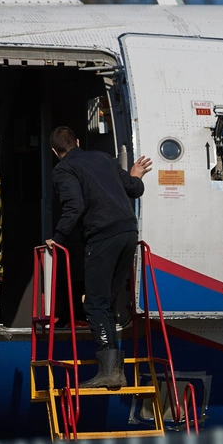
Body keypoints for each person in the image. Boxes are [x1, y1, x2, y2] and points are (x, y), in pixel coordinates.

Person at [46, 126, 152, 388]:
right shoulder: (105, 158)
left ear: (54, 152)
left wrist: (56, 238)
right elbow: (134, 189)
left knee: (94, 304)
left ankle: (109, 370)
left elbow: (75, 206)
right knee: (104, 301)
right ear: (78, 141)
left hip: (103, 237)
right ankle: (114, 366)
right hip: (128, 233)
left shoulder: (63, 169)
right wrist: (135, 176)